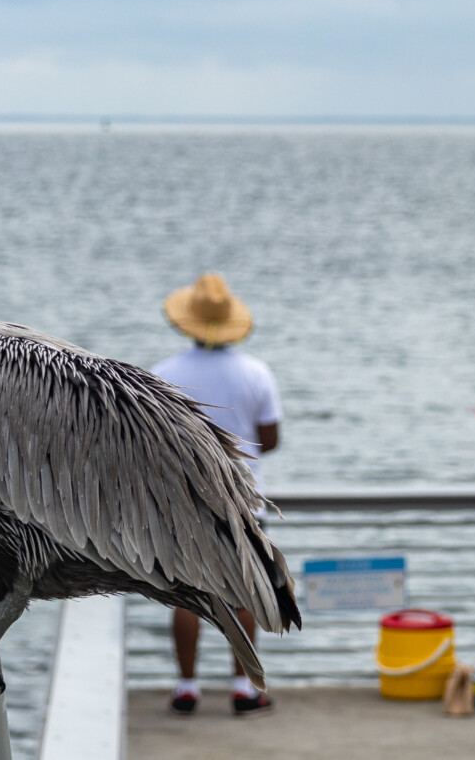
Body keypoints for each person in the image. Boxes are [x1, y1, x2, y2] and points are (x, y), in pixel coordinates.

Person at [151, 273, 282, 717]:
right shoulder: (256, 373)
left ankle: (186, 686)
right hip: (243, 502)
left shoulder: (164, 374)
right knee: (243, 593)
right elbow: (270, 438)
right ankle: (244, 689)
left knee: (189, 594)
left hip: (185, 503)